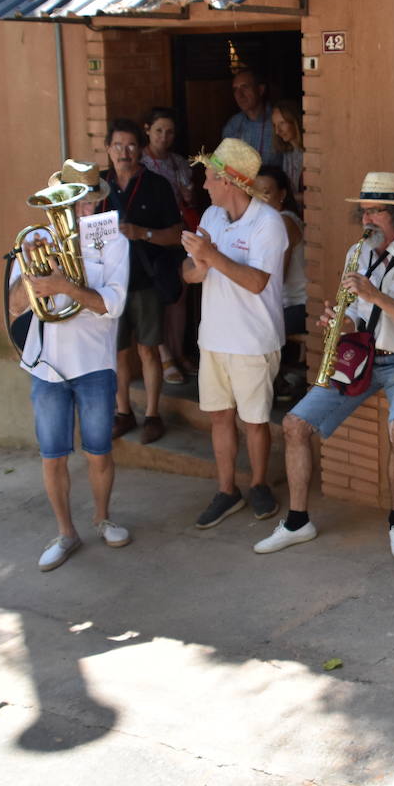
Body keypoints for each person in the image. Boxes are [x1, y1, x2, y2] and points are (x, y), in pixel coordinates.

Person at [256, 172, 394, 558]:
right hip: (362, 356)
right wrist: (340, 322)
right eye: (362, 212)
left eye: (375, 212)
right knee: (294, 425)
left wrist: (376, 296)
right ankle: (297, 522)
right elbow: (357, 316)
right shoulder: (356, 254)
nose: (366, 220)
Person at [9, 161, 132, 572]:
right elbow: (13, 307)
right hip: (47, 366)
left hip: (94, 363)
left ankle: (103, 517)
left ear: (98, 204)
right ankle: (65, 532)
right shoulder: (36, 239)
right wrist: (30, 278)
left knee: (98, 452)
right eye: (72, 204)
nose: (80, 211)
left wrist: (65, 286)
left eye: (87, 203)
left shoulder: (113, 243)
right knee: (52, 456)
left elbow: (111, 305)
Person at [182, 138, 288, 528]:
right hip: (213, 338)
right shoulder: (211, 217)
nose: (204, 185)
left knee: (255, 420)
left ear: (229, 182)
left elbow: (258, 282)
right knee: (220, 418)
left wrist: (213, 257)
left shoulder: (268, 223)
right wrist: (200, 266)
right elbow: (188, 273)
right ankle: (227, 490)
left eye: (210, 178)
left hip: (252, 340)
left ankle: (259, 484)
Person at [103, 118, 184, 445]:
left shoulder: (157, 185)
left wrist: (143, 234)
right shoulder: (96, 186)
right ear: (108, 149)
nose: (124, 152)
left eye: (131, 145)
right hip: (108, 284)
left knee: (149, 351)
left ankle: (152, 414)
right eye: (118, 146)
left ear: (141, 149)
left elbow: (177, 235)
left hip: (146, 281)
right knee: (118, 353)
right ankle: (124, 412)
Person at [141, 106, 199, 384]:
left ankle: (178, 352)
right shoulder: (141, 163)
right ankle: (165, 357)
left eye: (169, 131)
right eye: (158, 130)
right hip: (153, 237)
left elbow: (189, 200)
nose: (164, 136)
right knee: (159, 296)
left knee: (179, 295)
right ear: (147, 131)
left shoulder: (179, 162)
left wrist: (188, 195)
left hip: (179, 233)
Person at [252, 165, 308, 400]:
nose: (260, 199)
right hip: (283, 303)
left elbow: (275, 278)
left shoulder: (283, 222)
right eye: (255, 192)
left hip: (299, 305)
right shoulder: (265, 221)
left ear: (282, 195)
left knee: (255, 327)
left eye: (266, 192)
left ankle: (271, 386)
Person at [222, 68, 281, 170]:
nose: (239, 95)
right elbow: (224, 166)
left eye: (244, 87)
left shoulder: (278, 121)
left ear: (260, 90)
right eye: (235, 90)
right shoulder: (233, 125)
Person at [271, 99, 306, 201]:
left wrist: (288, 198)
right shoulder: (288, 153)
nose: (277, 131)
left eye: (282, 123)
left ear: (295, 122)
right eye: (274, 125)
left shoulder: (311, 151)